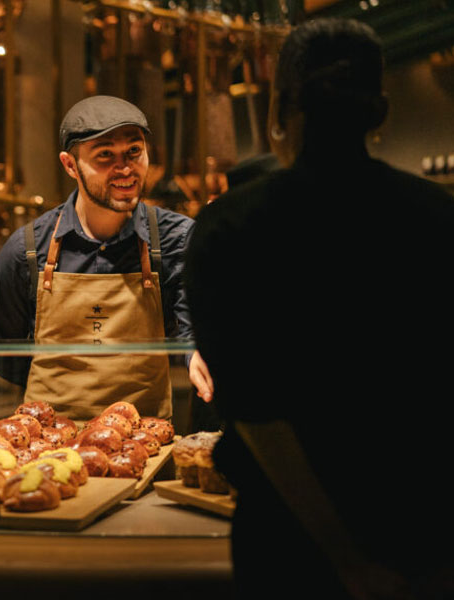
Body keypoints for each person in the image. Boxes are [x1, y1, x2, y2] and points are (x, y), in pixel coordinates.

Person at [185, 18, 454, 599]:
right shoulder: (438, 218)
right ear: (379, 112)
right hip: (420, 536)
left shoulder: (230, 227)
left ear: (279, 110)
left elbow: (259, 415)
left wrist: (345, 560)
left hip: (287, 548)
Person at [0, 95, 210, 420]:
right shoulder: (27, 250)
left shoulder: (177, 240)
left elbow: (192, 332)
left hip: (143, 443)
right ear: (70, 165)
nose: (125, 168)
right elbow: (3, 356)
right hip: (48, 447)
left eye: (134, 151)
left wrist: (196, 355)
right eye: (105, 155)